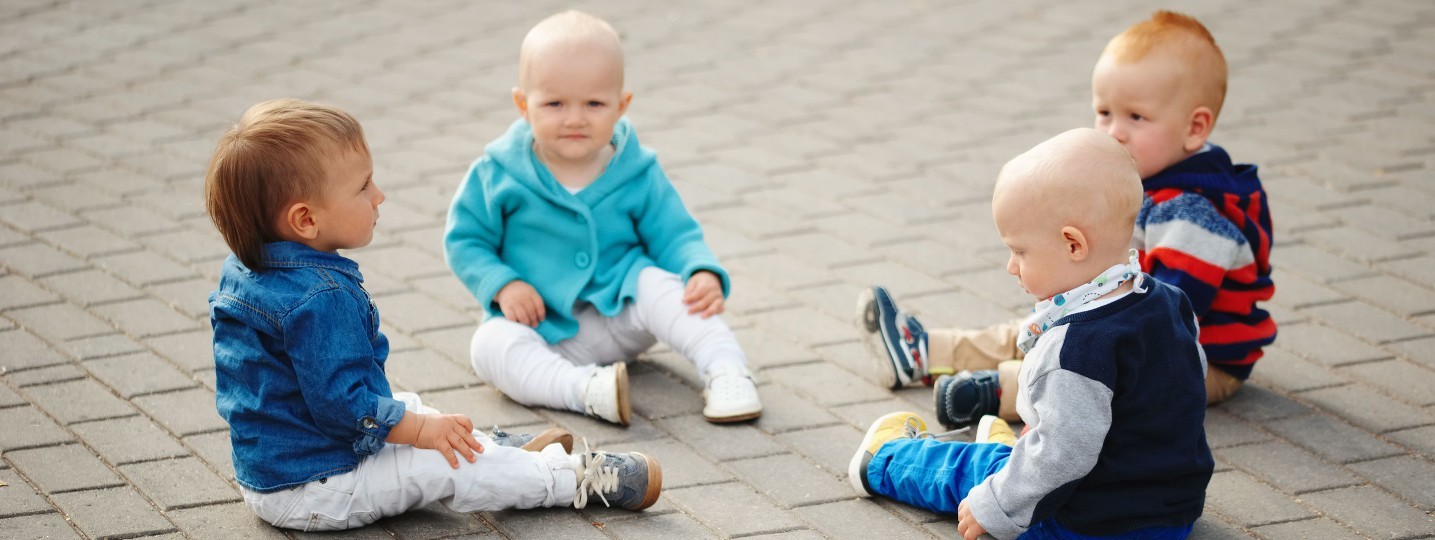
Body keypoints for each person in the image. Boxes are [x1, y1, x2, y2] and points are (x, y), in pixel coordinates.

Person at [205, 98, 661, 531]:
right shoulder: (318, 299)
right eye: (363, 186)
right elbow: (346, 409)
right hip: (318, 490)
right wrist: (422, 434)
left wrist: (418, 424)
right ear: (306, 220)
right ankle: (569, 479)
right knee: (448, 463)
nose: (378, 195)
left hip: (275, 472)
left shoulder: (247, 270)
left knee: (411, 408)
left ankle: (489, 448)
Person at [858, 10, 1273, 423]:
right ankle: (923, 352)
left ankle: (993, 391)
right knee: (1038, 328)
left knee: (1077, 370)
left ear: (1194, 127)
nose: (1115, 132)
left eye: (1136, 117)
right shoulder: (1154, 179)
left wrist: (1085, 323)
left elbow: (1168, 319)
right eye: (1104, 113)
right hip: (1131, 323)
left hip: (1196, 362)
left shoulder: (1195, 211)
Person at [849, 128, 1214, 540]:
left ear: (1072, 244)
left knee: (972, 470)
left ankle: (885, 459)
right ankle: (1017, 448)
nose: (1011, 265)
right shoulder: (1168, 300)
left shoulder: (1075, 347)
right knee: (1036, 450)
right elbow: (1184, 389)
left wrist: (995, 508)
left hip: (1088, 525)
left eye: (1019, 251)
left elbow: (1061, 457)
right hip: (1171, 516)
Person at [444, 10, 761, 426]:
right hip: (544, 326)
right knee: (489, 347)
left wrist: (698, 270)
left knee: (664, 287)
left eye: (594, 103)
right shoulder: (498, 172)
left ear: (621, 106)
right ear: (523, 104)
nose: (575, 118)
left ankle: (726, 370)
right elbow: (466, 240)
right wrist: (503, 284)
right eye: (555, 103)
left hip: (623, 312)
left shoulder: (636, 169)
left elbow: (675, 234)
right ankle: (585, 389)